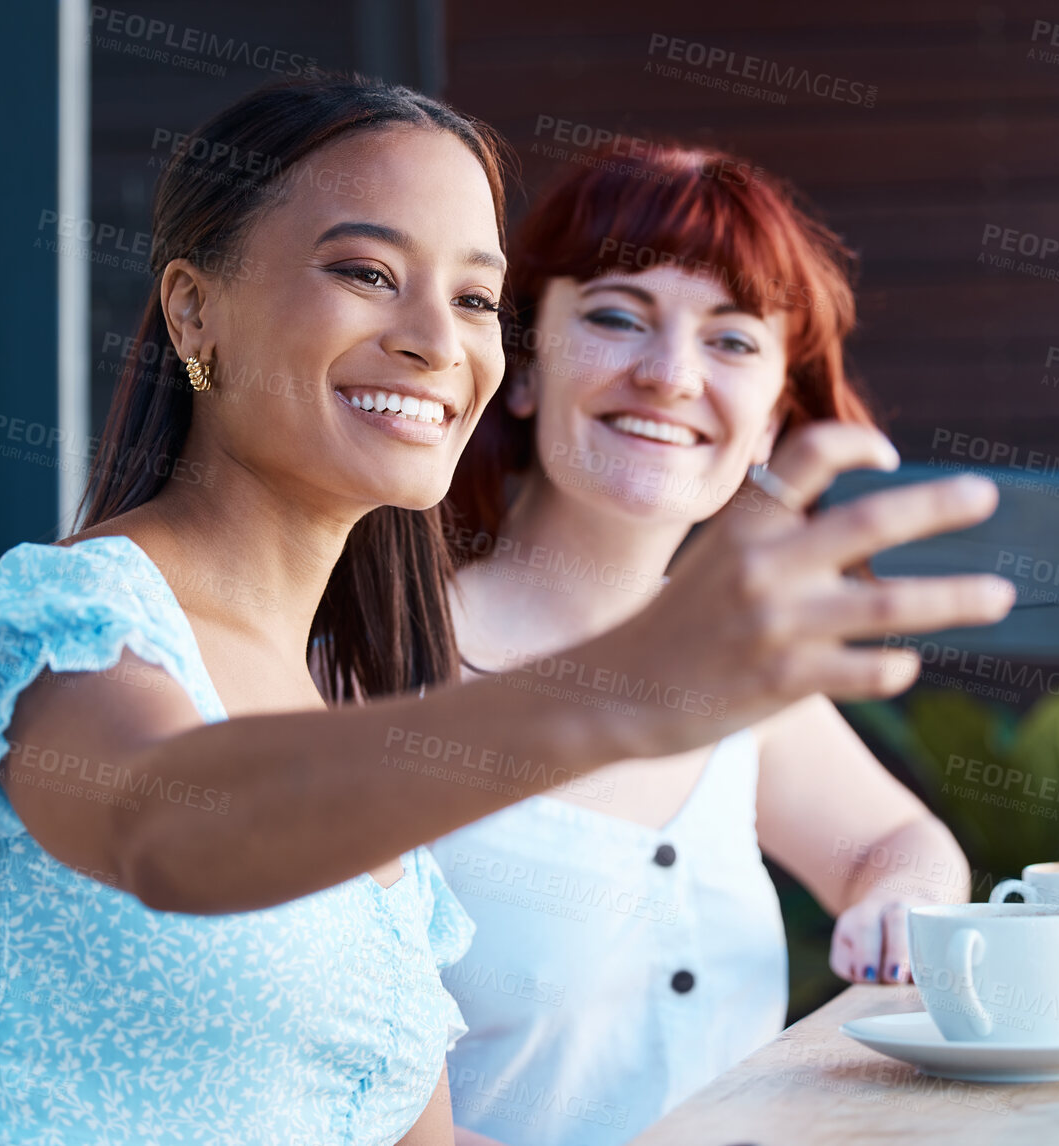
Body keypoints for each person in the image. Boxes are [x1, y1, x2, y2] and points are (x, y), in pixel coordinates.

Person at [0, 76, 1012, 1146]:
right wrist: (626, 687)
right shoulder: (51, 625)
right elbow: (169, 833)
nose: (431, 336)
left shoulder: (330, 693)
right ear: (192, 309)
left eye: (472, 295)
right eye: (365, 272)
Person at [433, 143, 977, 1144]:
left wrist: (901, 903)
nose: (669, 376)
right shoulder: (381, 663)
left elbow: (903, 846)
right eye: (613, 316)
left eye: (730, 342)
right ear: (520, 367)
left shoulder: (744, 676)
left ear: (772, 420)